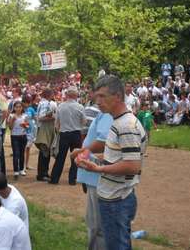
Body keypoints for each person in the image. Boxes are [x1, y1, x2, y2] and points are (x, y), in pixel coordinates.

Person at [76, 75, 147, 250]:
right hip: (116, 196)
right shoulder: (119, 122)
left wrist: (98, 168)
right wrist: (94, 158)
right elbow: (122, 157)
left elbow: (132, 166)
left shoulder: (125, 125)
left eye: (102, 96)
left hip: (117, 199)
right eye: (96, 96)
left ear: (117, 96)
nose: (97, 101)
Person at [72, 99, 113, 250]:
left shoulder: (108, 115)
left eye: (102, 96)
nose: (97, 100)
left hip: (98, 177)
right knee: (95, 224)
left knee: (97, 226)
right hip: (94, 176)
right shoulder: (104, 113)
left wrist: (80, 152)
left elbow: (102, 143)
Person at [49, 86, 85, 185]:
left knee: (60, 157)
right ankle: (72, 179)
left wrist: (59, 131)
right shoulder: (80, 107)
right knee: (75, 157)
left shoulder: (61, 106)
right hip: (76, 133)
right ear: (76, 95)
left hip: (64, 133)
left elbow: (57, 123)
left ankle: (54, 179)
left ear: (67, 95)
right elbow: (84, 122)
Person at [35, 88, 56, 182]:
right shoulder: (46, 103)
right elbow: (41, 118)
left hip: (43, 129)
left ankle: (43, 173)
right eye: (52, 94)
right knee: (45, 152)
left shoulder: (42, 103)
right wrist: (52, 117)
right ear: (49, 95)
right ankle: (42, 174)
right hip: (44, 129)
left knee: (44, 152)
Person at [8, 101, 28, 178]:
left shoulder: (25, 116)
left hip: (23, 136)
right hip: (14, 136)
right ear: (14, 108)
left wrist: (24, 125)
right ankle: (16, 170)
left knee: (22, 153)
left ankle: (21, 169)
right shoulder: (11, 115)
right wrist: (13, 120)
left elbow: (27, 126)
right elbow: (10, 127)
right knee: (16, 153)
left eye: (20, 107)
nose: (18, 108)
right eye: (17, 107)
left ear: (22, 108)